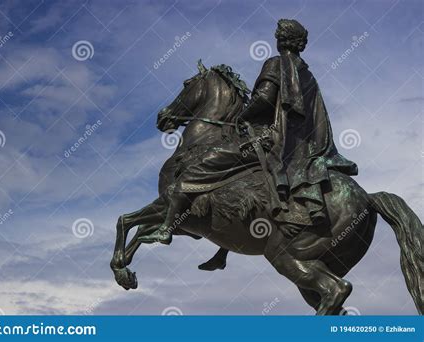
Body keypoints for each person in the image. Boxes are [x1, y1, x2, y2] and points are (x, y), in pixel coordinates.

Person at [139, 19, 358, 245]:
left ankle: (166, 227)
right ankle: (222, 248)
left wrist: (241, 117)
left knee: (201, 165)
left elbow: (263, 98)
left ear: (280, 40)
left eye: (278, 35)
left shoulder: (276, 64)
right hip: (298, 146)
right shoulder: (308, 75)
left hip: (271, 140)